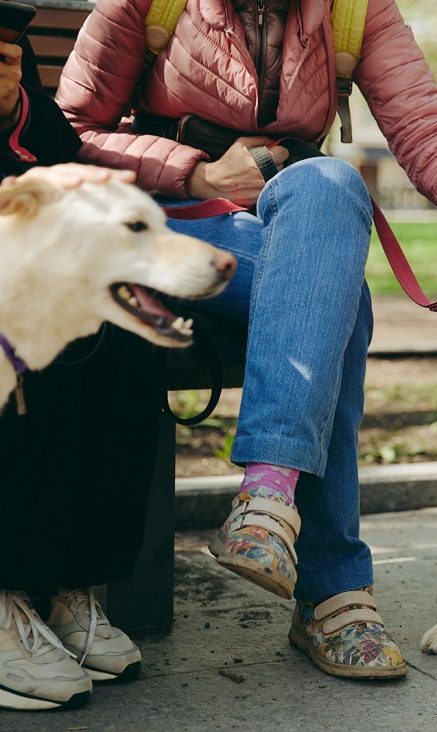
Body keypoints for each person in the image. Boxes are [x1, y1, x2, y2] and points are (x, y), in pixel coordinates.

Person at [56, 0, 437, 679]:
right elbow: (70, 129)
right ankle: (332, 592)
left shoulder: (356, 10)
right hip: (164, 219)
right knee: (345, 305)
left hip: (296, 222)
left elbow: (428, 129)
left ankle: (269, 503)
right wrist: (197, 174)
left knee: (331, 181)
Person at [0, 35, 162, 711]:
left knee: (123, 336)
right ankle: (7, 600)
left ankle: (70, 586)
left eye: (4, 61)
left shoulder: (37, 119)